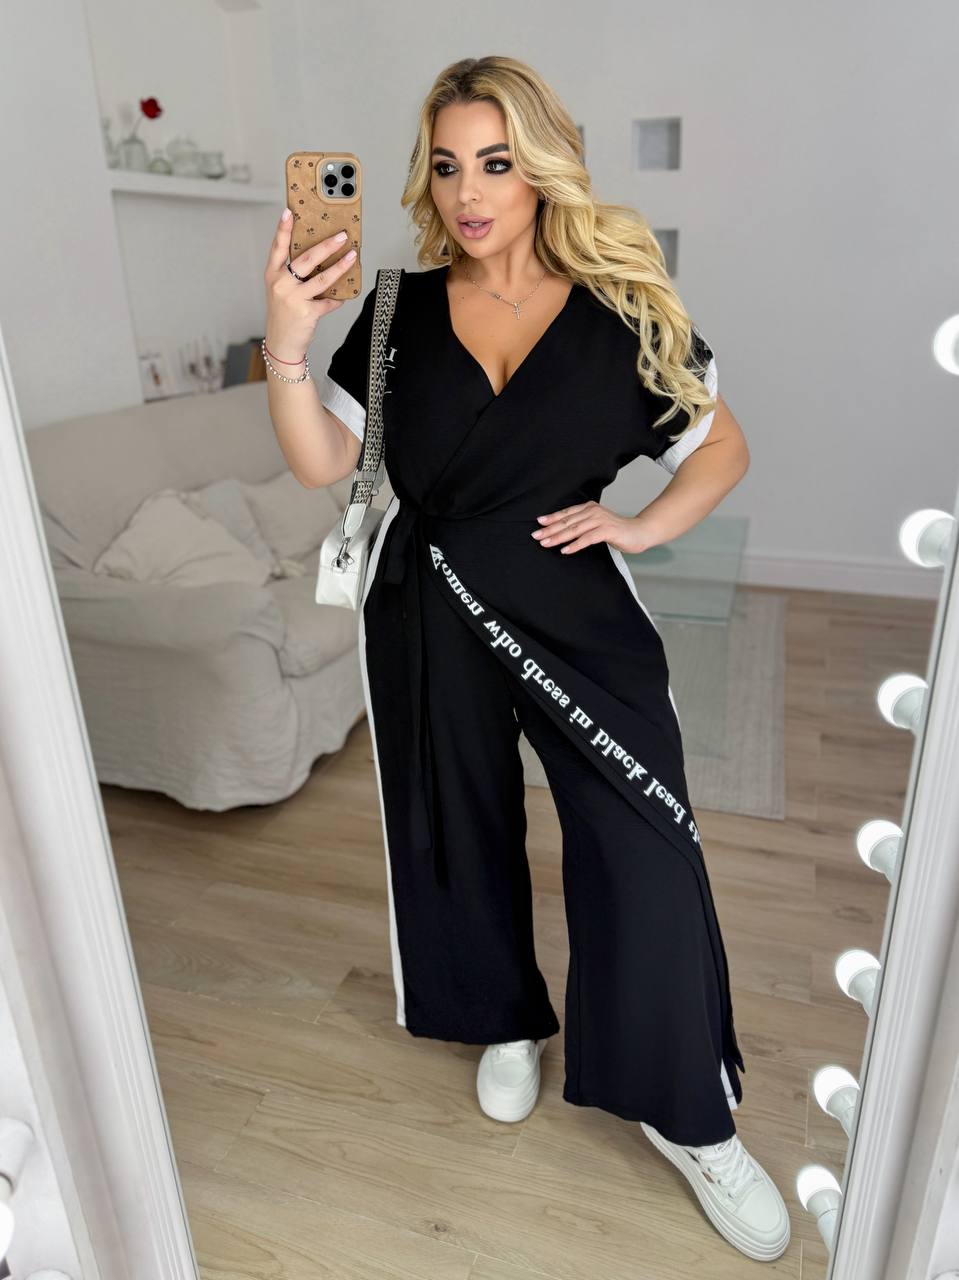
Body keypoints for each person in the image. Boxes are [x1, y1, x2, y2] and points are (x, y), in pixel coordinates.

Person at [264, 54, 790, 1264]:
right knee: (455, 823)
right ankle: (504, 1018)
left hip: (569, 609)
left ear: (542, 166)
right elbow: (316, 463)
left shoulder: (620, 309)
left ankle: (687, 1112)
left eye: (495, 162)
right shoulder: (392, 312)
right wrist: (289, 342)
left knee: (642, 842)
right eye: (448, 165)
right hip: (427, 601)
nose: (468, 192)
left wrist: (641, 525)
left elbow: (719, 446)